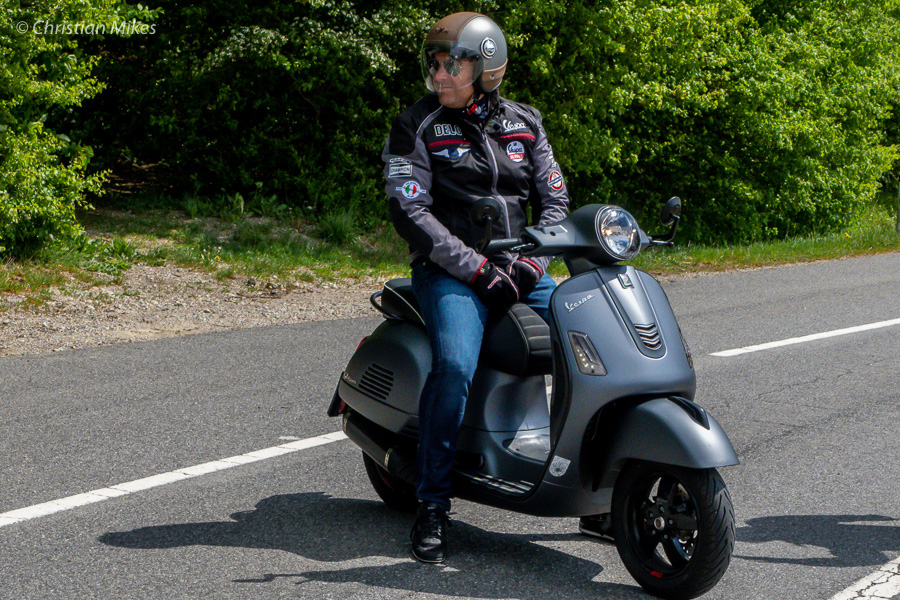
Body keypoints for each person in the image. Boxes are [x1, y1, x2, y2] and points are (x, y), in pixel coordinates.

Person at [382, 12, 576, 563]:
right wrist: (475, 269)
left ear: (487, 69)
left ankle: (588, 478)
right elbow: (410, 211)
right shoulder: (415, 125)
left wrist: (532, 264)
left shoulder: (526, 122)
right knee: (455, 367)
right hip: (450, 272)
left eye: (452, 65)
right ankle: (432, 503)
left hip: (522, 268)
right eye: (434, 65)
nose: (439, 75)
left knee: (590, 341)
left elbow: (556, 201)